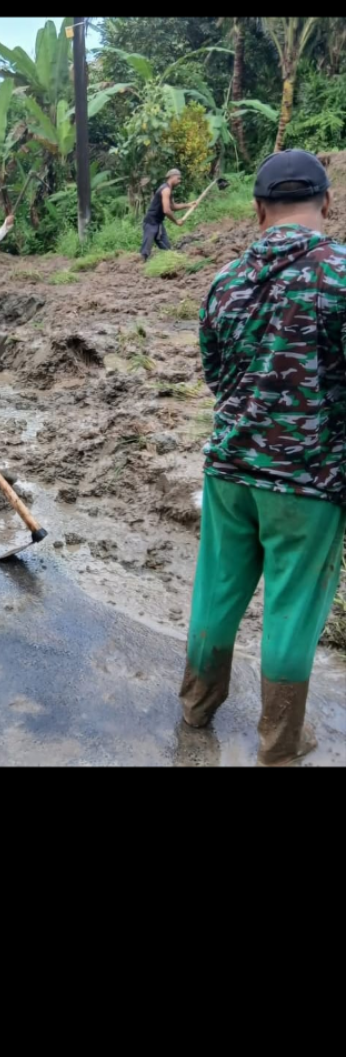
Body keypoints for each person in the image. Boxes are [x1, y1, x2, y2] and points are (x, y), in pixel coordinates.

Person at [179, 149, 346, 766]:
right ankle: (280, 740)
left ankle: (197, 705)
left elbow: (217, 376)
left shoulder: (226, 280)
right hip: (308, 481)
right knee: (293, 609)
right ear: (328, 202)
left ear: (257, 210)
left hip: (228, 469)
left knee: (216, 592)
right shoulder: (342, 275)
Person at [140, 171, 192, 260]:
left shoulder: (168, 190)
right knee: (145, 252)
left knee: (167, 249)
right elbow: (167, 210)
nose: (179, 181)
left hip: (158, 223)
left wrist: (188, 205)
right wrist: (176, 221)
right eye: (178, 178)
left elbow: (173, 206)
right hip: (151, 222)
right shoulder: (165, 190)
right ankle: (139, 268)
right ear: (172, 177)